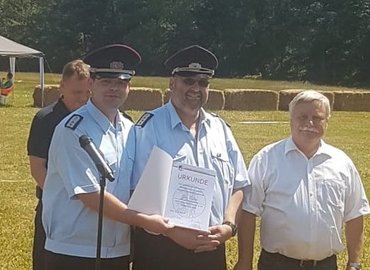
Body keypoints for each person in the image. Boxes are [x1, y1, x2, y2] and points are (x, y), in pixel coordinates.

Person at [41, 44, 172, 270]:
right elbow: (90, 196)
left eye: (121, 82)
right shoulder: (73, 130)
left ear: (129, 87)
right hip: (74, 251)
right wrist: (144, 221)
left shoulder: (132, 130)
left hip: (118, 249)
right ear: (91, 84)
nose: (114, 88)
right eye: (106, 81)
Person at [132, 45, 250, 270]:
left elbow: (239, 185)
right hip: (161, 248)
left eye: (203, 82)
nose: (196, 88)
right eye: (188, 80)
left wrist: (229, 225)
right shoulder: (149, 128)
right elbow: (138, 193)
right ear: (172, 82)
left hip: (211, 248)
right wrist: (173, 232)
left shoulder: (221, 129)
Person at [234, 90, 370, 270]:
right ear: (291, 119)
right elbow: (248, 212)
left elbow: (355, 214)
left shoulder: (342, 163)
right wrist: (244, 262)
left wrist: (354, 263)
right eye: (302, 117)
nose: (309, 123)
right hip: (277, 264)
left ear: (327, 121)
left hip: (326, 265)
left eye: (317, 117)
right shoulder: (266, 159)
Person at [27, 59, 92, 270]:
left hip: (91, 208)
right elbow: (38, 168)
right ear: (62, 86)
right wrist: (65, 198)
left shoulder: (94, 118)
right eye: (76, 93)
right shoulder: (46, 119)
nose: (82, 100)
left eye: (87, 93)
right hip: (55, 206)